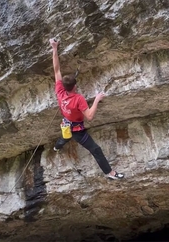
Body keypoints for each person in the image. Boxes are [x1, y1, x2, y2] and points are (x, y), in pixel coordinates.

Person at [49, 38, 124, 180]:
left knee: (64, 137)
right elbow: (89, 116)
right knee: (95, 149)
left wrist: (54, 48)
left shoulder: (59, 90)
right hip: (78, 130)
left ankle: (57, 148)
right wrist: (96, 99)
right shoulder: (78, 99)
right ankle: (110, 173)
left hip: (65, 124)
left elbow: (56, 69)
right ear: (75, 87)